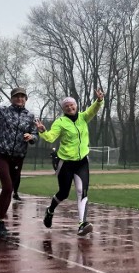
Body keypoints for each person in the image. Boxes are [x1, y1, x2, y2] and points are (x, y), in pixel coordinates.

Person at [35, 90, 104, 236]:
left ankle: (82, 224)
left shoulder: (83, 117)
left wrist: (99, 101)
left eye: (72, 105)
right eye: (66, 106)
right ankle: (50, 210)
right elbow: (51, 137)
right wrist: (43, 131)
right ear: (63, 109)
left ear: (76, 106)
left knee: (81, 191)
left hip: (82, 162)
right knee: (64, 193)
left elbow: (94, 109)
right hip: (65, 162)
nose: (69, 107)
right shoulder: (60, 122)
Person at [0, 78, 37, 235]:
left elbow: (35, 134)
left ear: (26, 99)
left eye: (22, 96)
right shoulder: (3, 112)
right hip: (2, 155)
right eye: (16, 96)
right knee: (7, 187)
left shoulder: (30, 116)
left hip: (18, 156)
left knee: (10, 190)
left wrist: (32, 137)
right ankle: (0, 223)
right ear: (12, 99)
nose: (19, 99)